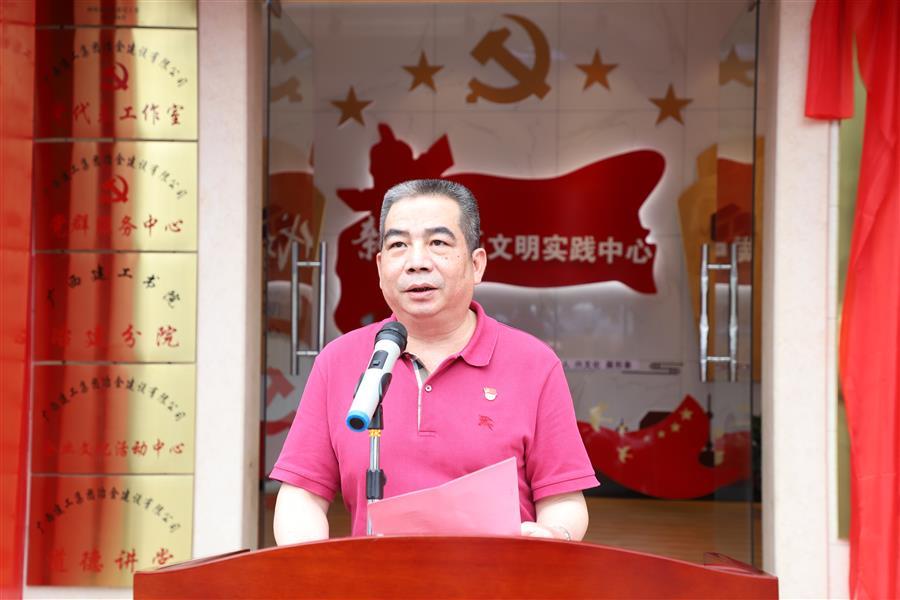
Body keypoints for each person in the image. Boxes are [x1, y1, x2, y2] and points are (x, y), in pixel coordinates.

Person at [271, 179, 599, 544]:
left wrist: (554, 534)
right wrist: (309, 565)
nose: (416, 263)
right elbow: (302, 493)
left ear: (477, 264)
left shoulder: (534, 365)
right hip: (375, 576)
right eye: (398, 245)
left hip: (499, 576)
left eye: (438, 243)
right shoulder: (338, 361)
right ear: (380, 267)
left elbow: (563, 498)